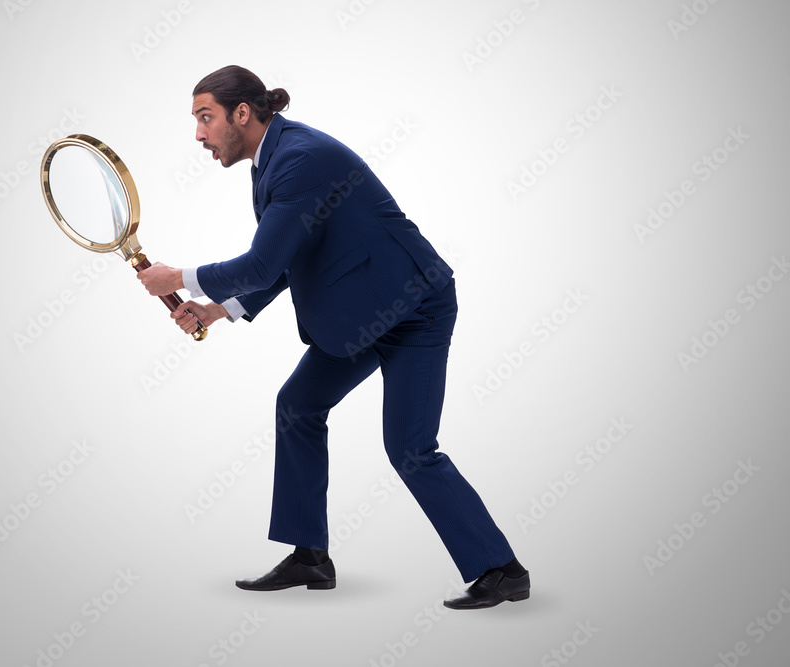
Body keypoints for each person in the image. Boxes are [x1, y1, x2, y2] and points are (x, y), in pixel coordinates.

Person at [137, 65, 529, 609]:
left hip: (415, 308)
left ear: (242, 113)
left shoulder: (300, 159)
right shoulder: (271, 161)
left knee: (410, 449)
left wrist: (177, 278)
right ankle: (310, 558)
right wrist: (215, 311)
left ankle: (501, 569)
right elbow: (288, 255)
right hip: (360, 313)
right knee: (298, 406)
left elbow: (261, 261)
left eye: (206, 118)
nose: (199, 134)